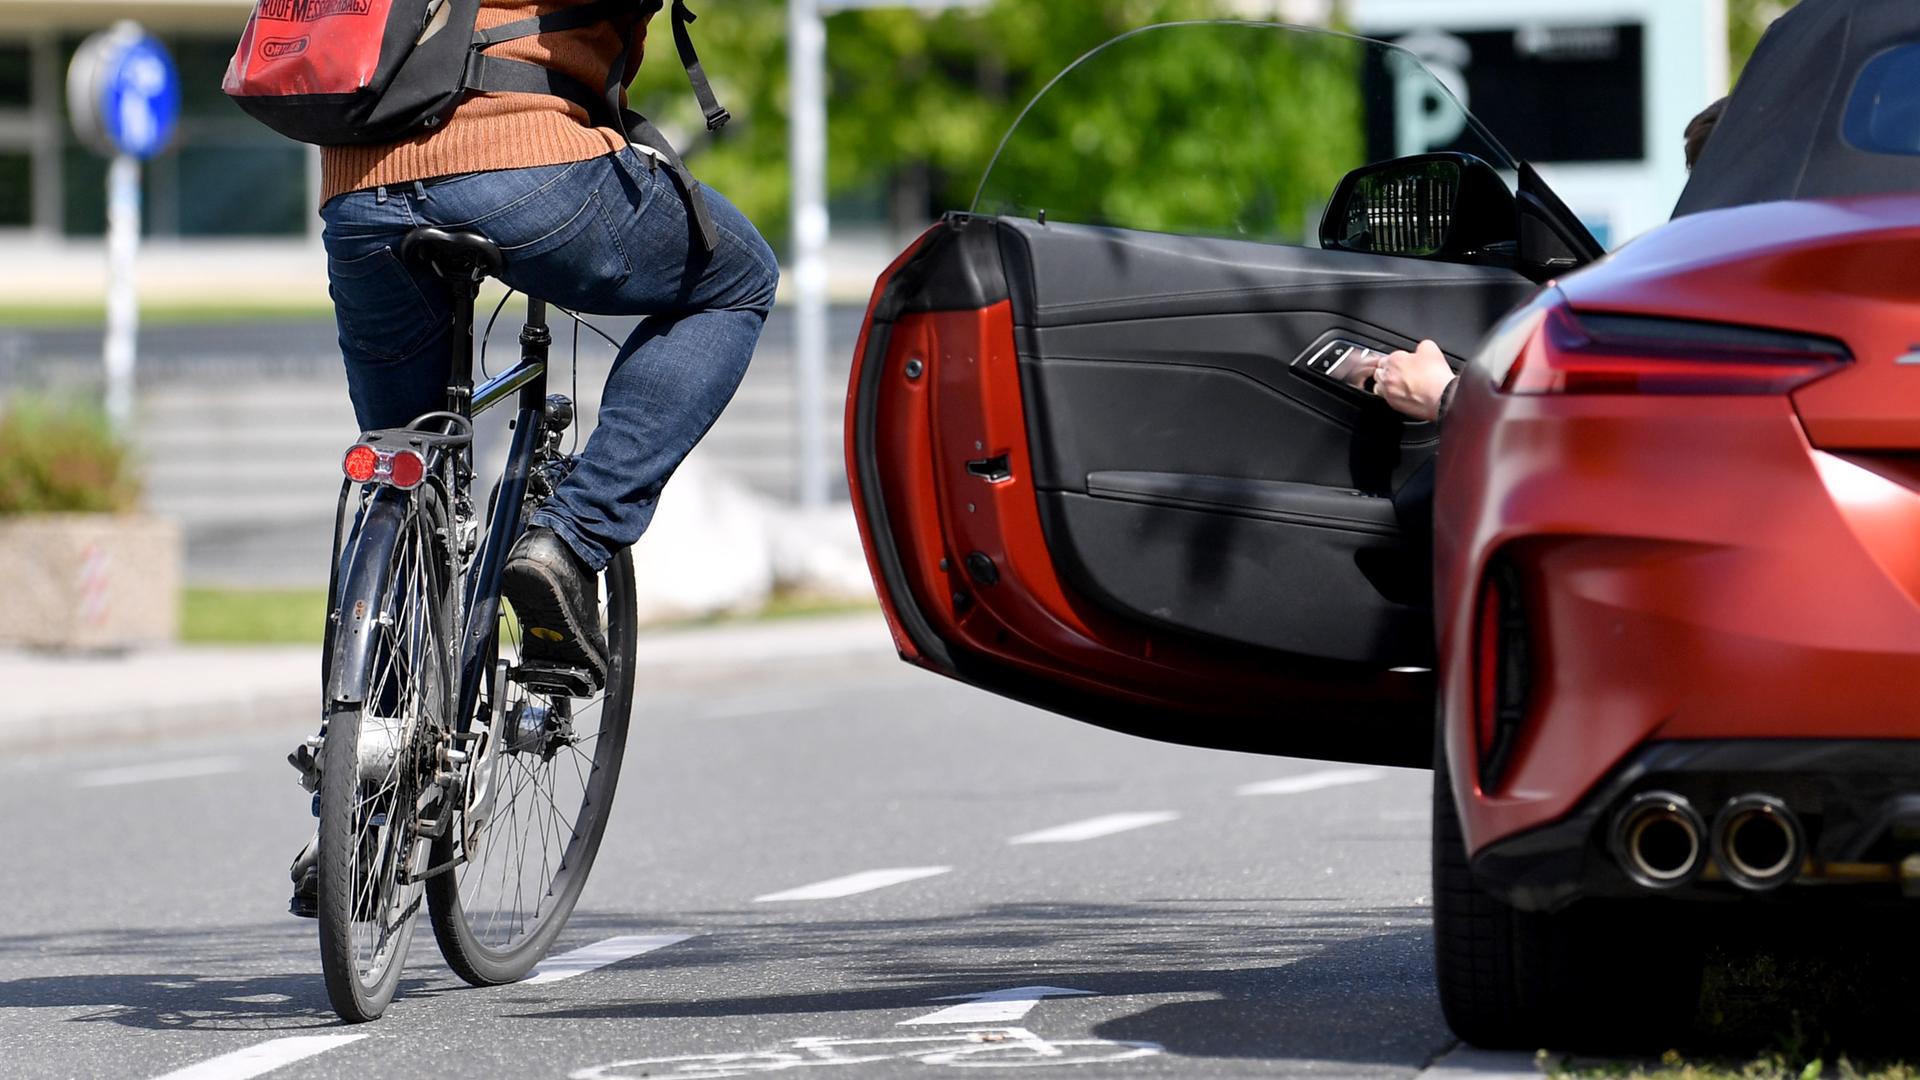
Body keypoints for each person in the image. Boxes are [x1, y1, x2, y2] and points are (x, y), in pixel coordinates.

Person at [288, 0, 778, 916]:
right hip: (525, 168)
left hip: (356, 190)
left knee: (408, 463)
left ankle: (358, 788)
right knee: (737, 280)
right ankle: (568, 539)